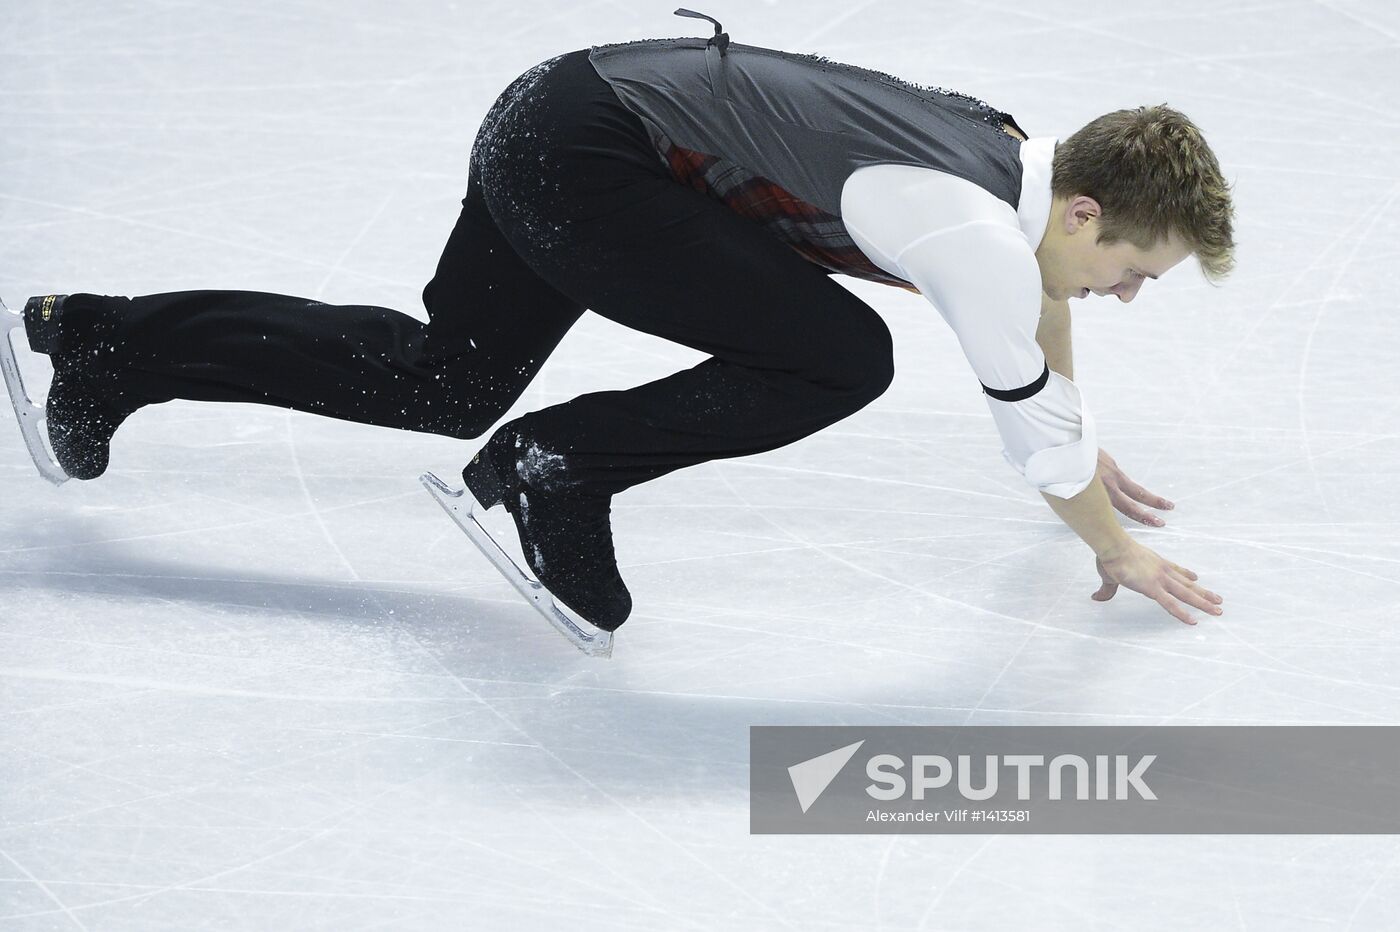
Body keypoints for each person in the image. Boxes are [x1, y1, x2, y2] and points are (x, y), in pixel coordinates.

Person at [4, 10, 1233, 635]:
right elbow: (1035, 435)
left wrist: (1068, 401)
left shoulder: (1009, 157)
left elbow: (1041, 320)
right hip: (589, 157)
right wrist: (1109, 546)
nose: (1125, 295)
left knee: (441, 380)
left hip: (559, 113)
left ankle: (111, 343)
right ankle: (559, 467)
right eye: (1135, 268)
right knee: (841, 353)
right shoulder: (969, 228)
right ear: (1081, 210)